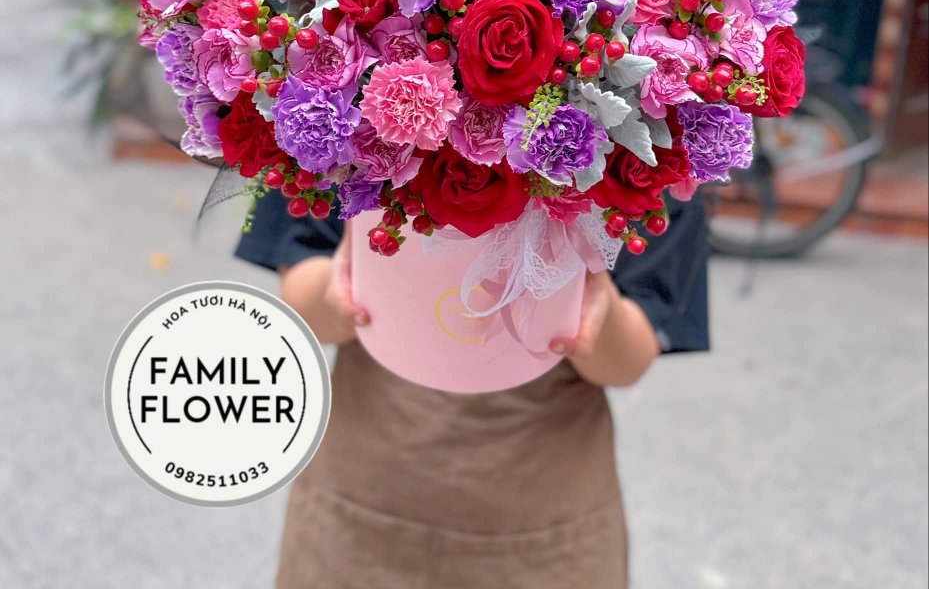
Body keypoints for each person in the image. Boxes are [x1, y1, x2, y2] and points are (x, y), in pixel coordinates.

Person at [236, 193, 709, 589]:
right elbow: (304, 301)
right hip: (358, 504)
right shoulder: (340, 118)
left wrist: (593, 314)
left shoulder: (654, 139)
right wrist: (350, 280)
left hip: (547, 524)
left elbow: (628, 360)